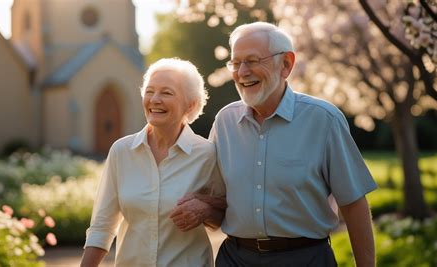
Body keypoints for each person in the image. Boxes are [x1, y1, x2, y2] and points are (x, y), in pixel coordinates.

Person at [174, 22, 378, 266]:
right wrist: (203, 207)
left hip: (306, 258)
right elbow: (221, 199)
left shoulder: (324, 120)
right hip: (235, 258)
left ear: (286, 65)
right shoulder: (225, 122)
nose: (242, 72)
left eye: (252, 60)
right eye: (236, 63)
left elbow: (354, 204)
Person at [80, 58, 225, 267]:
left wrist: (207, 209)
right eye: (149, 91)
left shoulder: (207, 154)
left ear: (190, 104)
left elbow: (226, 212)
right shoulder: (122, 151)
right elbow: (102, 226)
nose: (154, 99)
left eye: (166, 93)